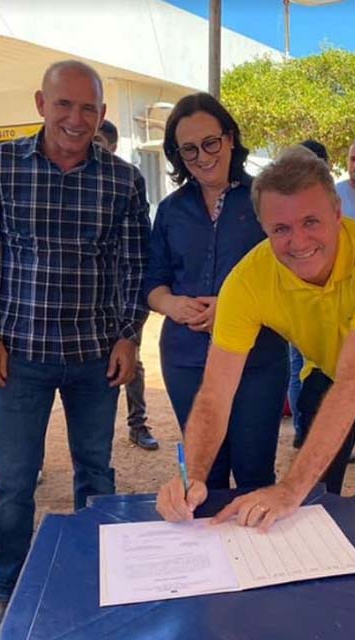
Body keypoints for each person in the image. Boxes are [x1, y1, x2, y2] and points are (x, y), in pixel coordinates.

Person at [154, 145, 355, 598]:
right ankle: (314, 593)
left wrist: (288, 487)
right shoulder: (247, 280)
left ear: (337, 212)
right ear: (264, 229)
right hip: (329, 372)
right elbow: (215, 391)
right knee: (315, 495)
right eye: (281, 228)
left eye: (311, 221)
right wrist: (193, 474)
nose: (298, 240)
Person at [0, 60, 151, 639]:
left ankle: (98, 579)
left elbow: (133, 263)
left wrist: (128, 334)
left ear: (102, 115)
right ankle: (10, 591)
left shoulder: (122, 179)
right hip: (20, 356)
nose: (76, 118)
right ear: (41, 104)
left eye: (88, 108)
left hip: (95, 356)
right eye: (64, 105)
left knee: (97, 473)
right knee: (13, 481)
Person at [145, 92, 288, 491]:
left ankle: (253, 555)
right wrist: (172, 304)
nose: (203, 157)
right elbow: (152, 283)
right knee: (203, 476)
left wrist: (234, 307)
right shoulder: (171, 211)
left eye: (211, 143)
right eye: (188, 150)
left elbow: (291, 276)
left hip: (256, 359)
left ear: (229, 138)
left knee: (254, 475)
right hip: (186, 360)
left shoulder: (269, 198)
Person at [94, 118, 158, 451]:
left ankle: (138, 424)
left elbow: (140, 251)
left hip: (125, 295)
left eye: (99, 143)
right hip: (92, 300)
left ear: (113, 146)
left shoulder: (126, 182)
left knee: (132, 359)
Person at [290, 139, 330, 450]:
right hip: (294, 305)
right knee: (297, 369)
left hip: (328, 304)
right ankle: (305, 433)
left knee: (328, 371)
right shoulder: (284, 204)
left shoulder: (330, 205)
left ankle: (320, 438)